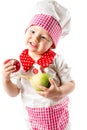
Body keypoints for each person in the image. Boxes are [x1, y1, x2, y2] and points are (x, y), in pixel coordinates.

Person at [2, 0, 75, 130]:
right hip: (33, 115)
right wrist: (6, 79)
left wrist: (58, 92)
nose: (35, 39)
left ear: (52, 44)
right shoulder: (19, 62)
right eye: (33, 31)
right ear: (26, 30)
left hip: (57, 111)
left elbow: (70, 84)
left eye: (43, 37)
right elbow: (14, 93)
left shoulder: (56, 60)